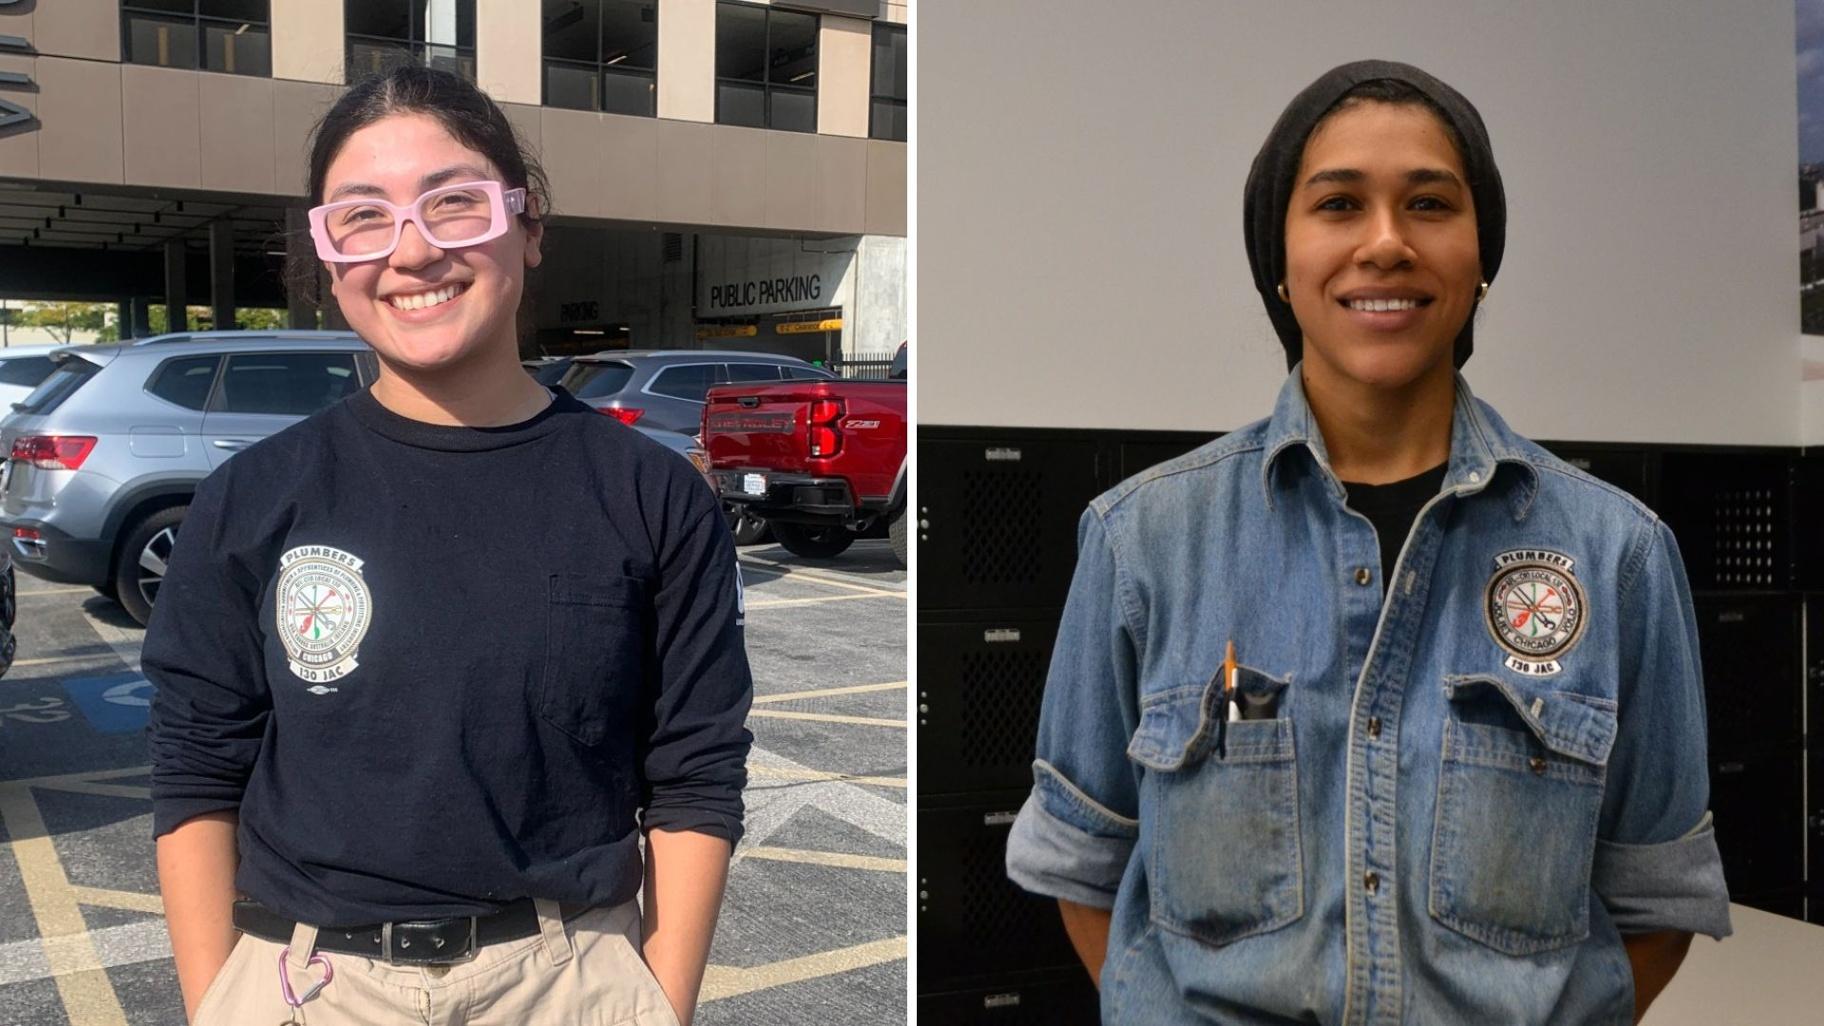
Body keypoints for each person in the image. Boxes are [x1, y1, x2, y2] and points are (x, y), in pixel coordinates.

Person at [1004, 60, 1730, 1025]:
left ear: (1483, 257)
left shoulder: (1618, 554)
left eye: (1429, 203)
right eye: (1339, 204)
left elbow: (1655, 902)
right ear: (1281, 257)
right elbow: (1083, 867)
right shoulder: (1143, 542)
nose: (1385, 244)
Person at [148, 66, 751, 1026]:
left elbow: (697, 771)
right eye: (364, 217)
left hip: (569, 979)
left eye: (455, 204)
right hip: (306, 985)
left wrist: (657, 1001)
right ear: (326, 252)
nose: (413, 252)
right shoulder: (254, 497)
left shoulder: (651, 492)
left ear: (529, 225)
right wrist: (215, 997)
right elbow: (195, 765)